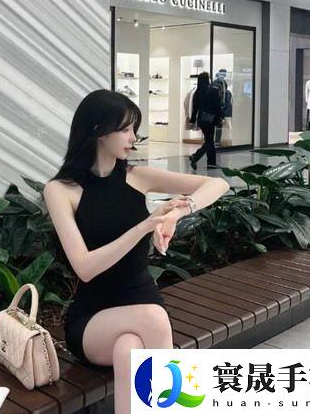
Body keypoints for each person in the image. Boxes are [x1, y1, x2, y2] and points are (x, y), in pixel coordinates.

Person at [44, 89, 229, 414]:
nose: (134, 137)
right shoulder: (61, 191)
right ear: (99, 131)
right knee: (154, 319)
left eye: (134, 129)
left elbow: (218, 184)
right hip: (93, 318)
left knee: (130, 349)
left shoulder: (138, 177)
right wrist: (144, 226)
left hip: (141, 301)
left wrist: (177, 213)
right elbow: (85, 267)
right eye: (126, 129)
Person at [189, 72, 223, 170]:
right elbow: (217, 106)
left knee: (209, 141)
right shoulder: (213, 90)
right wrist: (220, 117)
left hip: (202, 120)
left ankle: (210, 163)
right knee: (209, 141)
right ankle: (197, 157)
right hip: (211, 119)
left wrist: (192, 120)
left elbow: (195, 108)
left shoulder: (198, 92)